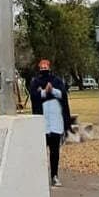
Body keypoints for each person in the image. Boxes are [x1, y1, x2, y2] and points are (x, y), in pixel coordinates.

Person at [29, 59, 71, 188]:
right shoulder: (35, 81)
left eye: (46, 66)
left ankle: (54, 175)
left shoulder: (56, 80)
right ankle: (39, 177)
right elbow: (34, 95)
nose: (44, 68)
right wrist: (44, 92)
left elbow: (62, 94)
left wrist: (51, 90)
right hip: (42, 120)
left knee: (54, 151)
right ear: (39, 68)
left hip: (55, 120)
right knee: (40, 151)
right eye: (42, 67)